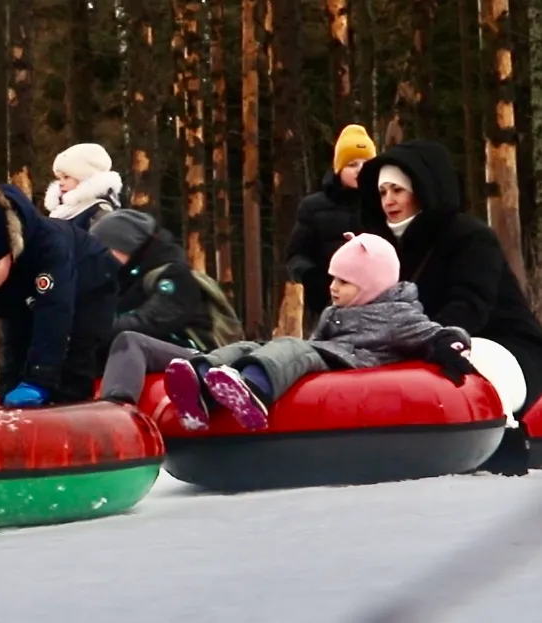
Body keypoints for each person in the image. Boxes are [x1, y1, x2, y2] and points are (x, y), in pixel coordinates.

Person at [158, 233, 475, 431]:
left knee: (294, 349)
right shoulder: (337, 310)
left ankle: (254, 388)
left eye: (344, 282)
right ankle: (198, 380)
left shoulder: (397, 313)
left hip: (352, 364)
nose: (333, 288)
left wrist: (452, 343)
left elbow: (434, 333)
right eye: (333, 278)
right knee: (248, 345)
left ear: (372, 285)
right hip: (327, 355)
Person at [358, 139, 542, 417]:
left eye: (397, 190)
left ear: (423, 190)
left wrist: (430, 340)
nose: (388, 201)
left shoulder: (471, 237)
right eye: (382, 192)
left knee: (469, 365)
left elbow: (470, 303)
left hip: (502, 344)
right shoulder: (385, 247)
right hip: (425, 346)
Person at [0, 180, 120, 407]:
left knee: (68, 373)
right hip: (24, 299)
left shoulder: (49, 248)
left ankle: (75, 426)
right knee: (12, 374)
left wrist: (39, 380)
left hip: (88, 284)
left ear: (11, 250)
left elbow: (55, 311)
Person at [90, 209, 241, 350]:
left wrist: (95, 329)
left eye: (106, 250)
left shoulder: (174, 275)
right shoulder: (124, 276)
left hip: (191, 354)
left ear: (126, 244)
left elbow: (153, 321)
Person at [285, 124, 377, 319]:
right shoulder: (313, 207)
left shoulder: (383, 205)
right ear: (339, 168)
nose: (360, 171)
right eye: (352, 165)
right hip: (326, 306)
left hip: (376, 306)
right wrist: (312, 281)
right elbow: (296, 254)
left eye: (366, 164)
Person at [43, 143, 122, 231]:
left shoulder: (99, 214)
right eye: (59, 178)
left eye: (66, 177)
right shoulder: (61, 212)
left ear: (84, 178)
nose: (60, 183)